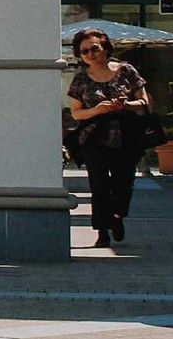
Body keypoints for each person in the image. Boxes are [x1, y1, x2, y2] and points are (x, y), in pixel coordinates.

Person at [63, 29, 155, 251]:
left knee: (125, 183)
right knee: (99, 186)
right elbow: (76, 113)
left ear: (105, 47)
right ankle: (102, 232)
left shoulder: (126, 71)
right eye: (84, 51)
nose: (90, 54)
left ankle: (117, 215)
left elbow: (144, 101)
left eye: (94, 48)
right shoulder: (81, 79)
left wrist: (125, 105)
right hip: (95, 137)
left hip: (126, 135)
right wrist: (97, 109)